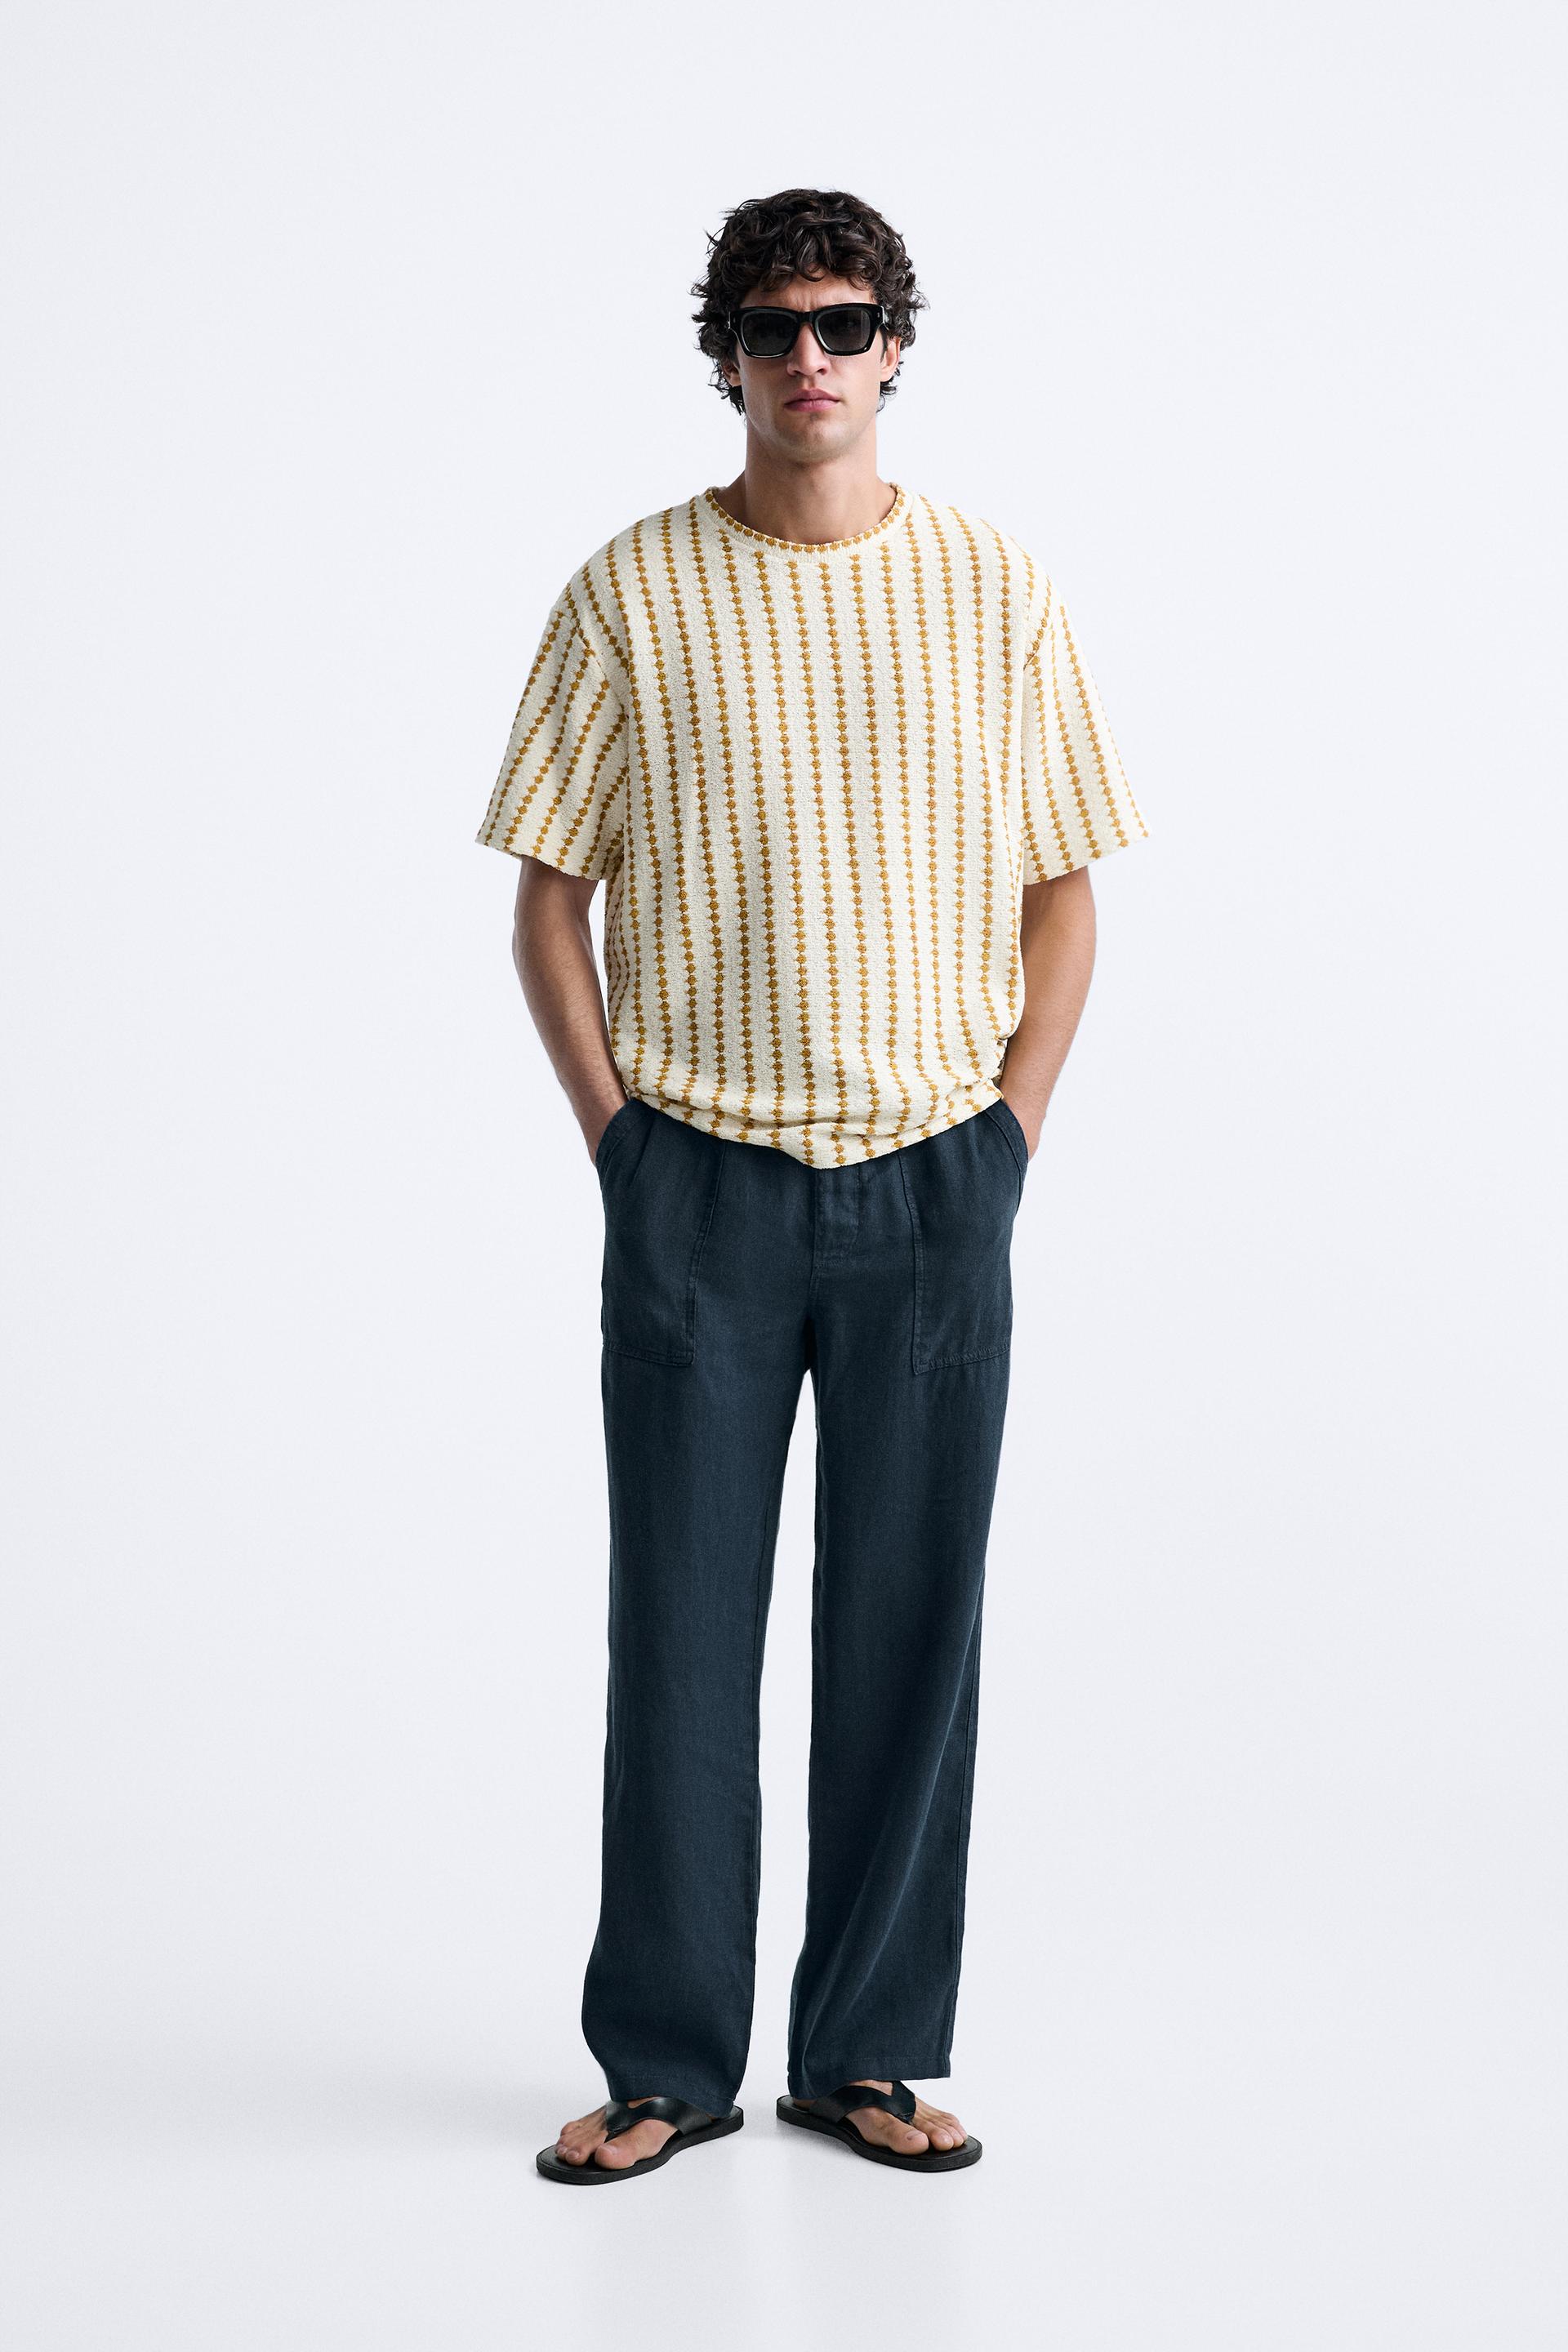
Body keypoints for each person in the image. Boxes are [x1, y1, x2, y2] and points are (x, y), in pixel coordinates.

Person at [474, 187, 1150, 2185]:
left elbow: (1066, 887)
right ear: (728, 358)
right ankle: (667, 2062)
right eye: (771, 328)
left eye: (843, 323)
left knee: (911, 1627)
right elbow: (548, 900)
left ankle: (866, 2050)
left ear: (895, 347)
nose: (808, 358)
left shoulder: (995, 587)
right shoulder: (631, 593)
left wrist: (1010, 1133)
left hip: (937, 1183)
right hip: (699, 1186)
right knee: (680, 1635)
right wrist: (623, 1147)